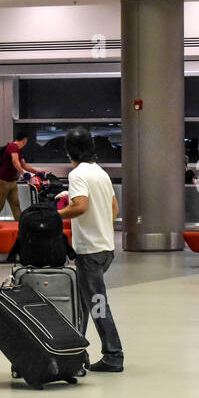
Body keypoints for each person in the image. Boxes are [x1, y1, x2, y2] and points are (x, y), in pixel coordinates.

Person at [58, 126, 124, 372]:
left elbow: (80, 206)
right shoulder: (100, 172)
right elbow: (114, 206)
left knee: (97, 304)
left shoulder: (77, 175)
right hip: (105, 248)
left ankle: (113, 355)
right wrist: (101, 226)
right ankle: (76, 352)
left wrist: (56, 215)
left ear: (69, 152)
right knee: (84, 302)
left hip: (89, 252)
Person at [0, 133, 34, 221]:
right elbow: (15, 161)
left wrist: (37, 172)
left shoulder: (18, 150)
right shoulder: (13, 147)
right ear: (24, 140)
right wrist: (23, 173)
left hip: (12, 181)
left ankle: (20, 224)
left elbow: (24, 165)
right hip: (2, 181)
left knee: (15, 204)